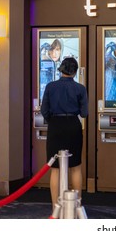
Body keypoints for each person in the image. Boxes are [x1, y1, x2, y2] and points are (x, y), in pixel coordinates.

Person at [40, 57, 88, 209]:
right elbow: (85, 113)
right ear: (75, 71)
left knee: (55, 168)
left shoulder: (50, 86)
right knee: (75, 167)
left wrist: (53, 120)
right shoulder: (80, 88)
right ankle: (76, 204)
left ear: (61, 69)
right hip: (73, 126)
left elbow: (44, 110)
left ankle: (56, 206)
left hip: (55, 126)